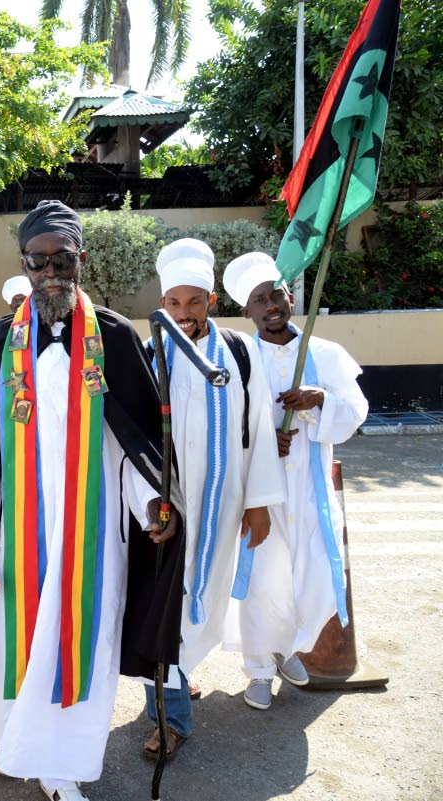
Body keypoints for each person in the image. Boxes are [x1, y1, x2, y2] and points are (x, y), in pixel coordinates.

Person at [0, 201, 184, 801]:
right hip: (14, 539)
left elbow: (133, 445)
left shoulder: (115, 338)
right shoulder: (0, 341)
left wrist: (154, 501)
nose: (51, 270)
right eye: (38, 260)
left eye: (63, 258)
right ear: (23, 264)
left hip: (93, 533)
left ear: (81, 260)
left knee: (85, 646)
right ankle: (14, 742)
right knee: (10, 650)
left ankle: (63, 765)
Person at [143, 239, 283, 744]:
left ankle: (181, 672)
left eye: (194, 302)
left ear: (211, 302)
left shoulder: (240, 352)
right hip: (169, 505)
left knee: (201, 600)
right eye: (174, 303)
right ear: (162, 305)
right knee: (161, 604)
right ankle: (169, 717)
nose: (184, 314)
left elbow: (259, 426)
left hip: (223, 502)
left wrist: (259, 501)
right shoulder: (150, 353)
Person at [224, 252, 368, 709]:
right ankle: (259, 669)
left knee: (311, 576)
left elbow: (356, 411)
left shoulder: (324, 353)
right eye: (259, 299)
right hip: (260, 491)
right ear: (247, 311)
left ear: (290, 298)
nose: (271, 305)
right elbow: (226, 422)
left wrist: (320, 398)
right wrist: (262, 442)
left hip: (309, 486)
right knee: (264, 578)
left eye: (277, 295)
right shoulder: (238, 356)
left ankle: (289, 651)